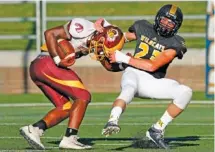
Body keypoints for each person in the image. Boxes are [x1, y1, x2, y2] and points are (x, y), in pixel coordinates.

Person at [101, 4, 193, 149]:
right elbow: (121, 38)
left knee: (185, 92)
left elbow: (153, 66)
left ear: (177, 26)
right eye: (164, 20)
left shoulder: (176, 43)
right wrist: (107, 31)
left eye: (171, 23)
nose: (166, 24)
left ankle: (157, 129)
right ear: (158, 18)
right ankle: (113, 120)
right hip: (133, 73)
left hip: (152, 80)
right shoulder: (143, 27)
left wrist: (124, 58)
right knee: (128, 90)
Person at [19, 17, 115, 150]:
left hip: (38, 67)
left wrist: (126, 62)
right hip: (47, 62)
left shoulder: (94, 42)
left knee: (66, 108)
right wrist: (58, 60)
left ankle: (34, 129)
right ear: (100, 31)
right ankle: (70, 138)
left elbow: (109, 67)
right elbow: (49, 33)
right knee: (83, 96)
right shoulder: (83, 27)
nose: (102, 45)